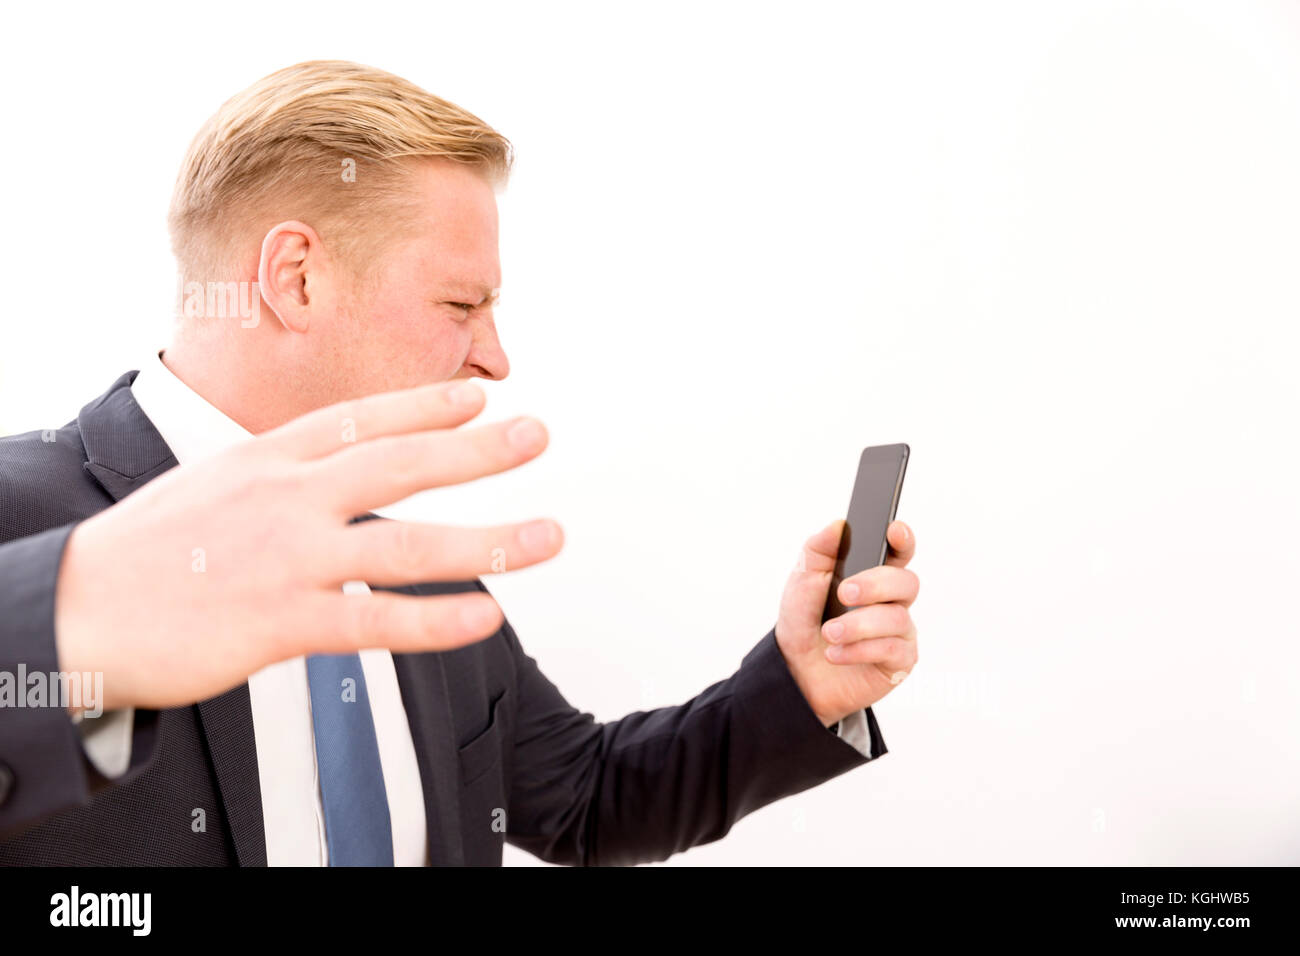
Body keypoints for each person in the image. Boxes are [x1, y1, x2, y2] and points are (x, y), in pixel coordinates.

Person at [0, 60, 920, 865]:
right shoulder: (24, 531)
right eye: (460, 302)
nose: (495, 358)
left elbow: (590, 800)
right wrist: (64, 629)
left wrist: (803, 686)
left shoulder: (422, 580)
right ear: (297, 279)